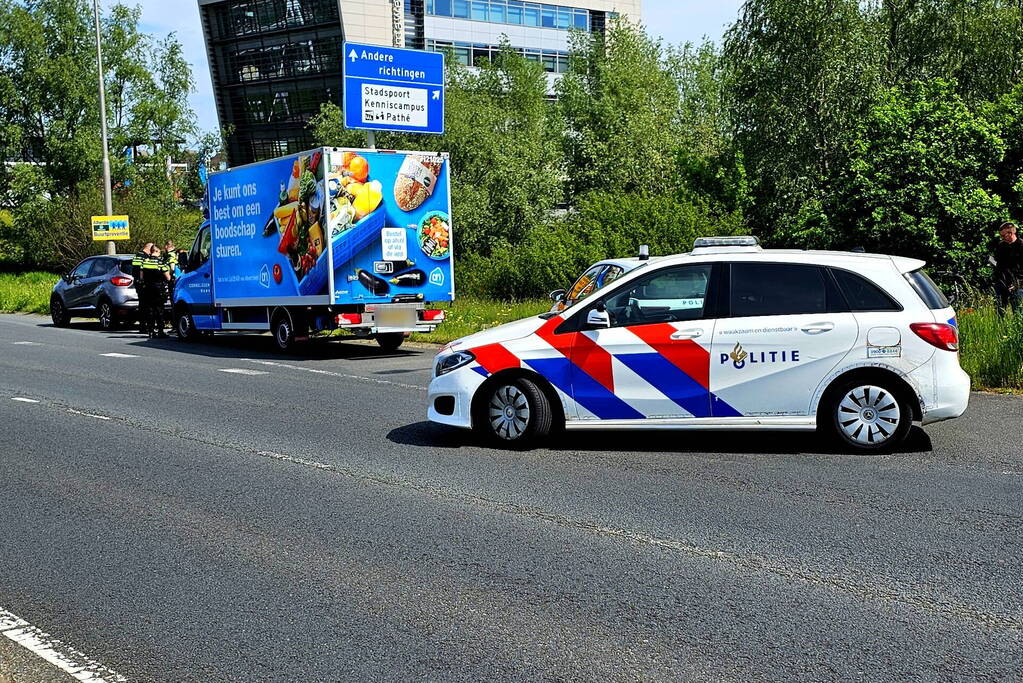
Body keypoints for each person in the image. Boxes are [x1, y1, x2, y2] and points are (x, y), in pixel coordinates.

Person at [993, 221, 1023, 315]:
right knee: (1000, 312)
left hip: (1018, 285)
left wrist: (1018, 284)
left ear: (1010, 233)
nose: (1002, 238)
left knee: (1018, 313)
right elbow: (999, 264)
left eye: (1003, 235)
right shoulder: (1001, 246)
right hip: (1002, 284)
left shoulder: (1021, 245)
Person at [141, 245, 171, 338]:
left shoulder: (144, 262)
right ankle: (160, 331)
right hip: (158, 289)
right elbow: (168, 277)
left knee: (150, 310)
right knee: (159, 310)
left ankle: (151, 331)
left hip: (147, 288)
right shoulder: (160, 262)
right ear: (157, 251)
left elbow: (141, 277)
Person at [132, 242, 155, 334]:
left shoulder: (137, 255)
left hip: (137, 282)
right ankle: (145, 326)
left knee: (142, 304)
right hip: (144, 283)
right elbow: (143, 270)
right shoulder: (145, 257)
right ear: (149, 248)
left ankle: (142, 325)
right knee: (146, 305)